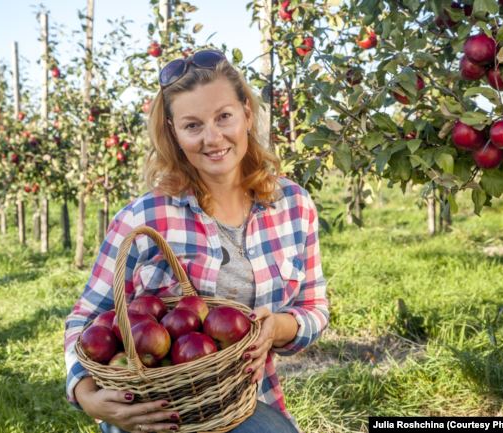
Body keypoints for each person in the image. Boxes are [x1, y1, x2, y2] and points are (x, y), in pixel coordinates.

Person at [64, 49, 329, 433]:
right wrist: (86, 393)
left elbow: (314, 307)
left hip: (241, 401)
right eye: (192, 125)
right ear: (173, 131)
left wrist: (278, 328)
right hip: (154, 409)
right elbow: (85, 319)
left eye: (224, 117)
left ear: (247, 115)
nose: (212, 138)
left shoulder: (293, 205)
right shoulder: (144, 218)